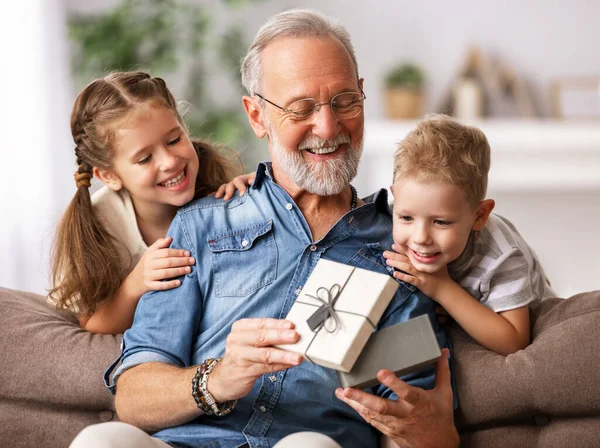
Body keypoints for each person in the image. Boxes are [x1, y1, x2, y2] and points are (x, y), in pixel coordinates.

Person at [70, 9, 459, 448]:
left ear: (363, 96)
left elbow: (412, 415)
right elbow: (133, 398)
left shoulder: (403, 248)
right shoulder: (201, 225)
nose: (328, 127)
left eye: (344, 101)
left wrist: (429, 430)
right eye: (301, 108)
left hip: (311, 443)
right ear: (257, 116)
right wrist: (219, 378)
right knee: (102, 439)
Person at [48, 71, 253, 334]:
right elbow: (93, 324)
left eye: (174, 140)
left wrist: (249, 200)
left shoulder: (212, 178)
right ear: (109, 175)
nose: (169, 162)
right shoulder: (100, 224)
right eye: (145, 159)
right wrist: (135, 284)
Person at [383, 115, 555, 356]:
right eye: (406, 218)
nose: (420, 237)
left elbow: (515, 341)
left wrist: (441, 288)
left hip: (527, 320)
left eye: (440, 222)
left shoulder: (502, 256)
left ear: (479, 215)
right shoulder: (393, 217)